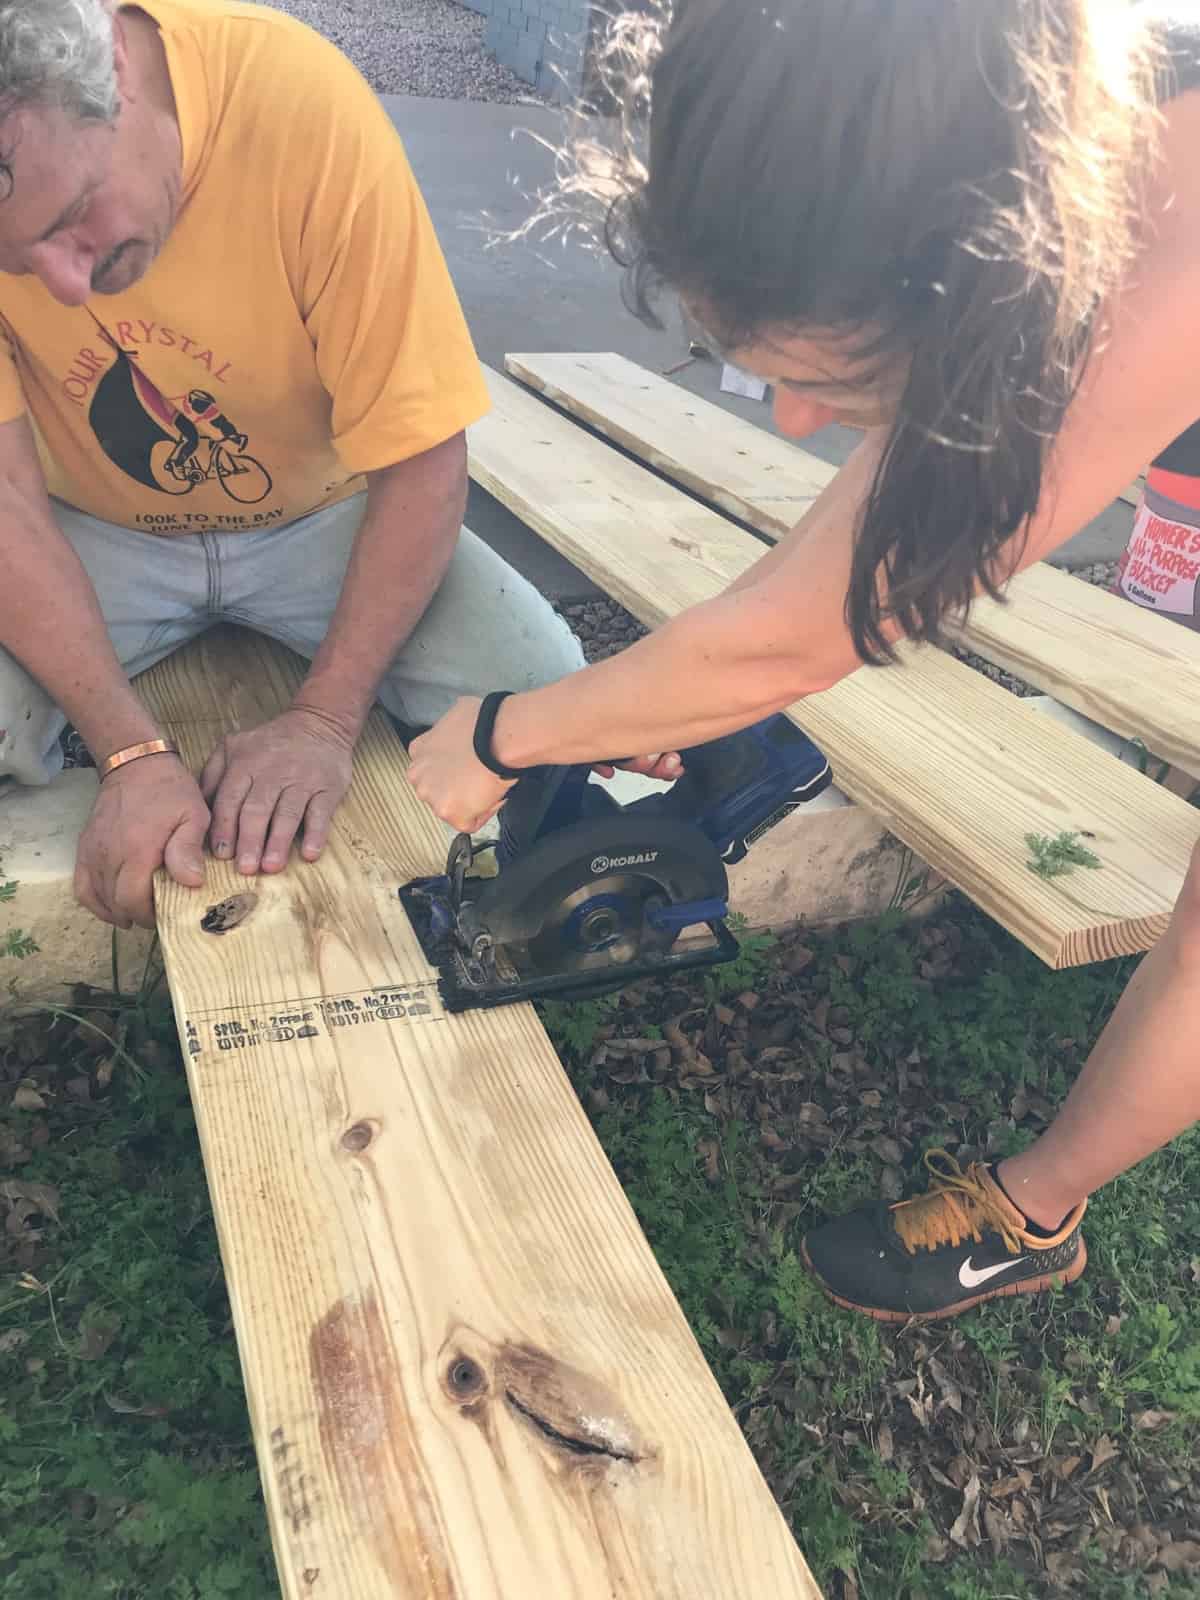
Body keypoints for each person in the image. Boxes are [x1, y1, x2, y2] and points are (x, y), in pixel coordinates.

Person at [406, 0, 1200, 1322]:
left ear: (973, 280)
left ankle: (1035, 1208)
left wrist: (505, 733)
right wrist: (643, 695)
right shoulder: (1006, 148)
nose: (790, 423)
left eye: (823, 375)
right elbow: (800, 589)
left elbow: (814, 625)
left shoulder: (1165, 246)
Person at [0, 0, 583, 931]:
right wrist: (129, 754)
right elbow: (7, 509)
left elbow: (422, 454)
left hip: (324, 518)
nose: (65, 285)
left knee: (546, 694)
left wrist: (325, 720)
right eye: (17, 258)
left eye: (74, 216)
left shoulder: (300, 104)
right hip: (90, 534)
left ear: (115, 61)